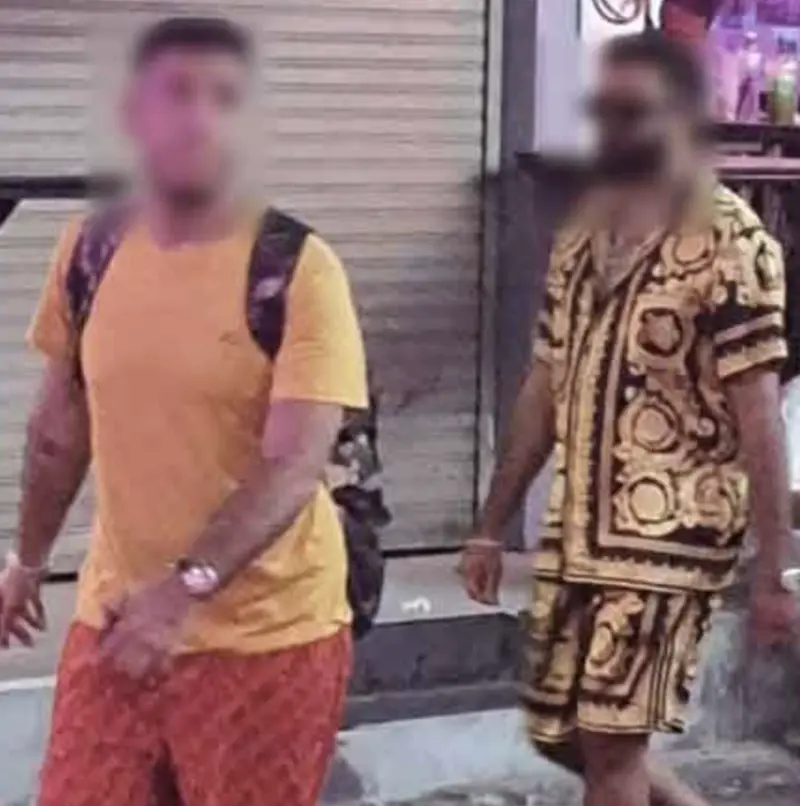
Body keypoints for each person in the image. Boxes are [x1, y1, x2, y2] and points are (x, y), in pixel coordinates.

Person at [0, 17, 367, 806]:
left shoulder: (297, 269)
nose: (200, 118)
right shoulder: (88, 251)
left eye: (224, 99)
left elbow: (293, 463)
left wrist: (181, 593)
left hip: (266, 640)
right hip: (117, 624)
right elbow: (60, 429)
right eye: (178, 94)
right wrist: (26, 562)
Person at [459, 31, 797, 806]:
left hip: (673, 534)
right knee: (561, 733)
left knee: (612, 746)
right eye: (606, 110)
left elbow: (761, 418)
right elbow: (545, 384)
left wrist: (775, 572)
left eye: (635, 111)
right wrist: (490, 525)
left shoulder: (732, 242)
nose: (616, 129)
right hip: (581, 531)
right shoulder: (584, 235)